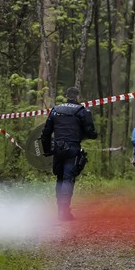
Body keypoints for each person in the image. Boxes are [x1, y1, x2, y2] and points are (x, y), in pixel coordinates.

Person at [41, 86, 98, 221]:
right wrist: (91, 135)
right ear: (77, 96)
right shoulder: (81, 111)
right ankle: (64, 211)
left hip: (58, 148)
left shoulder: (55, 110)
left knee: (60, 178)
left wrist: (47, 150)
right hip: (72, 148)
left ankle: (60, 210)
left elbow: (45, 133)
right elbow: (91, 132)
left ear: (66, 96)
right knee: (68, 178)